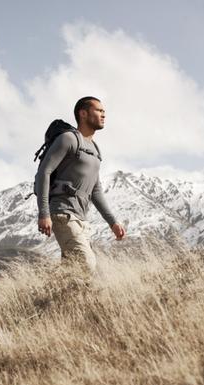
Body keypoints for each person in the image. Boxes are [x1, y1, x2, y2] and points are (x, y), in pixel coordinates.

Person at [34, 96, 126, 273]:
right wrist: (44, 212)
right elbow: (44, 172)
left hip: (82, 219)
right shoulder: (68, 139)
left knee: (73, 271)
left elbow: (96, 189)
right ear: (83, 113)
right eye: (99, 111)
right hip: (62, 214)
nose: (103, 115)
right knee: (86, 264)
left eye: (104, 112)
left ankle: (47, 297)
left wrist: (112, 222)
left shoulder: (95, 149)